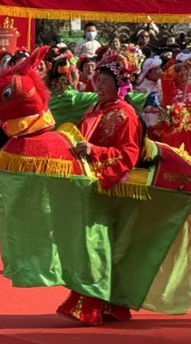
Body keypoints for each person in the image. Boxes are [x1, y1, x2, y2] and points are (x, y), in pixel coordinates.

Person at [57, 49, 143, 326]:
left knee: (97, 246)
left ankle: (90, 306)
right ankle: (109, 305)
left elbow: (129, 154)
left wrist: (94, 151)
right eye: (98, 80)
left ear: (119, 85)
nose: (99, 86)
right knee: (94, 246)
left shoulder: (126, 115)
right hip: (89, 184)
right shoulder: (94, 108)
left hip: (112, 189)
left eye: (106, 81)